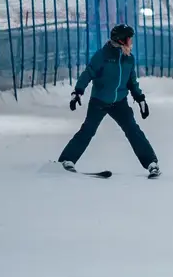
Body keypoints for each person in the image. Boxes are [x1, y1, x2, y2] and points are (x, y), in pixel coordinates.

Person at [59, 23, 160, 177]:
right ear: (120, 40)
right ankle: (67, 160)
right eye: (129, 39)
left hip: (119, 102)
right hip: (99, 101)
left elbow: (131, 81)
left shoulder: (128, 59)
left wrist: (140, 99)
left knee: (133, 130)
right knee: (88, 130)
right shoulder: (103, 56)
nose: (131, 42)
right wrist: (78, 92)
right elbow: (88, 73)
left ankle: (151, 163)